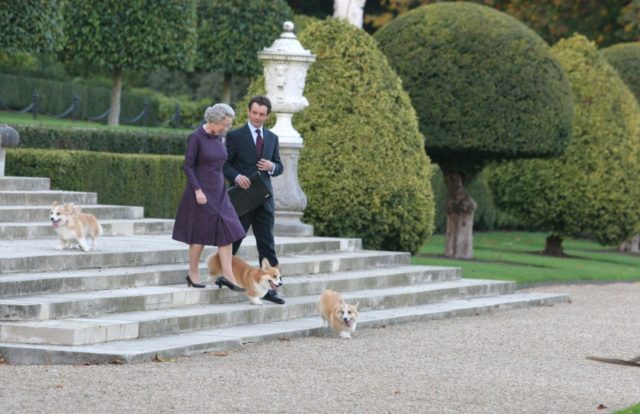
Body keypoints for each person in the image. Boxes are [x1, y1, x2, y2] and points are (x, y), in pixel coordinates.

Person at [172, 104, 245, 291]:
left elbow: (219, 165)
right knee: (200, 235)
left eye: (228, 125)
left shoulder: (220, 138)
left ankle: (229, 276)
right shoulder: (196, 137)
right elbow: (188, 167)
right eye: (225, 124)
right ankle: (193, 273)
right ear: (214, 120)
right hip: (201, 193)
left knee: (228, 231)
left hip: (219, 192)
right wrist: (197, 190)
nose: (226, 128)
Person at [223, 96, 285, 304]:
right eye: (254, 113)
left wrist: (272, 167)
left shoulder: (272, 137)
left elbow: (279, 166)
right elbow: (224, 164)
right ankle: (225, 275)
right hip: (243, 198)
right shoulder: (235, 136)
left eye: (262, 114)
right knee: (235, 238)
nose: (257, 117)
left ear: (267, 116)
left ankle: (271, 289)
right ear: (248, 112)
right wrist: (236, 177)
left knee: (267, 242)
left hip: (265, 198)